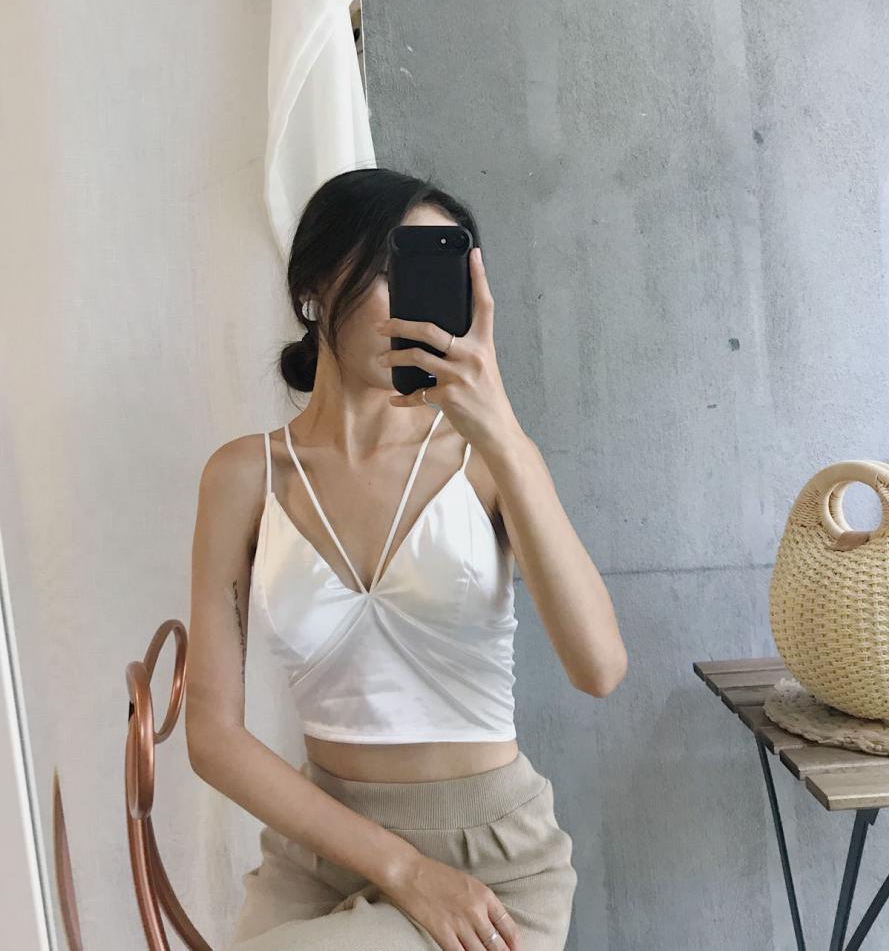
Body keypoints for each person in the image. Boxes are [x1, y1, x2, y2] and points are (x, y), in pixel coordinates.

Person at [185, 167, 627, 951]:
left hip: (492, 867)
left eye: (434, 280)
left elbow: (599, 668)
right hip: (318, 857)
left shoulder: (487, 457)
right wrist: (400, 867)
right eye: (394, 273)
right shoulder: (244, 476)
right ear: (316, 286)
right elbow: (212, 736)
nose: (417, 308)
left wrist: (501, 429)